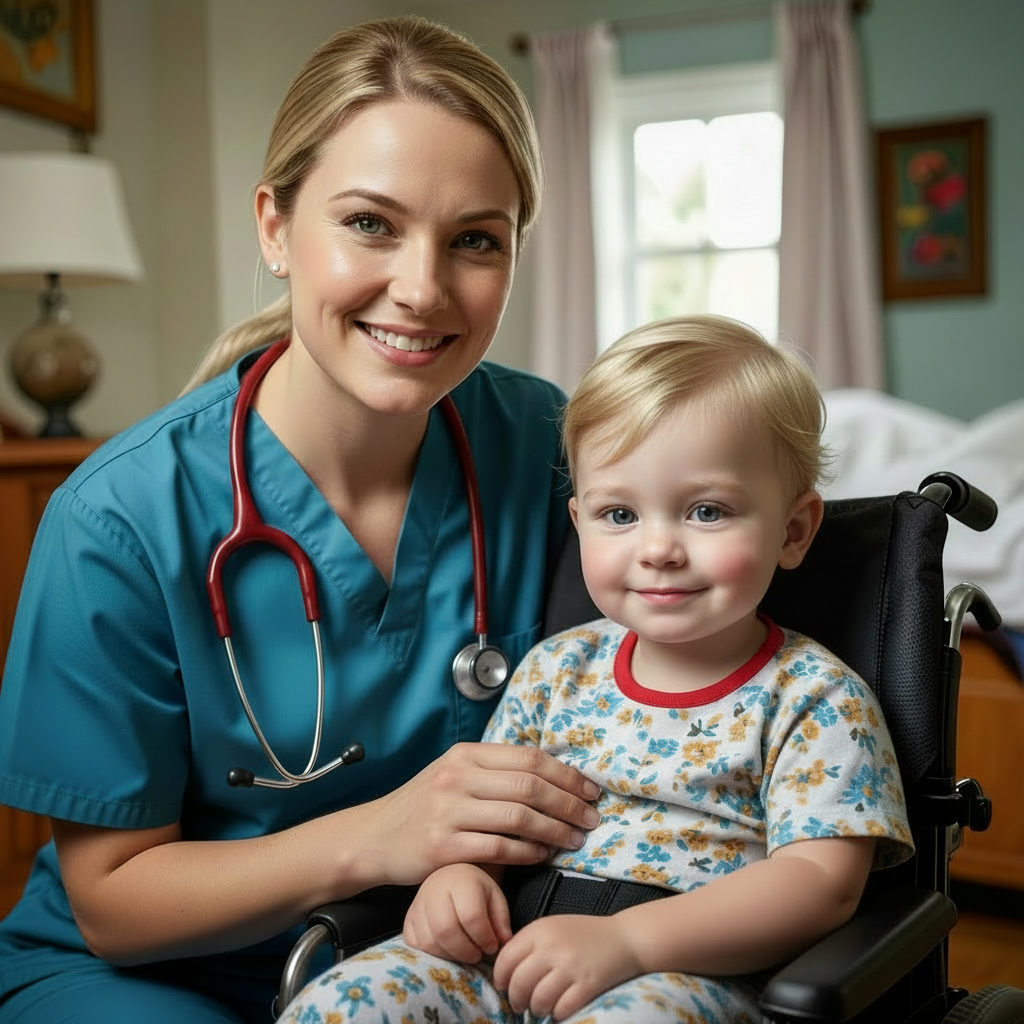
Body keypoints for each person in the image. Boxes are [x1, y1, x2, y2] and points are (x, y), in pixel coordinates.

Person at [0, 17, 604, 1024]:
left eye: (473, 241)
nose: (420, 288)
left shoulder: (547, 439)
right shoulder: (119, 518)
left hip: (437, 954)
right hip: (161, 977)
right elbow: (111, 903)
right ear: (276, 228)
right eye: (370, 223)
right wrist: (383, 833)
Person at [283, 315, 915, 1024]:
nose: (658, 549)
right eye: (619, 514)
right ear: (580, 520)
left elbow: (819, 884)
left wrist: (630, 942)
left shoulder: (816, 699)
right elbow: (488, 818)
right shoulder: (556, 671)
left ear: (794, 530)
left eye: (706, 511)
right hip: (509, 951)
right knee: (343, 1002)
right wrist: (460, 877)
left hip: (682, 973)